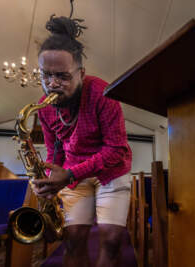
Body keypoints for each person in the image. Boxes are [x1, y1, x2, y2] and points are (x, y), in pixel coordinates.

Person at [31, 15, 132, 267]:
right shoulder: (43, 108)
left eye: (63, 77)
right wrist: (47, 177)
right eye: (46, 75)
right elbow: (54, 150)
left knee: (111, 239)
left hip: (111, 172)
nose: (52, 84)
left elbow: (116, 150)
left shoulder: (103, 93)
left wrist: (68, 175)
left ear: (81, 73)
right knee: (73, 240)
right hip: (72, 175)